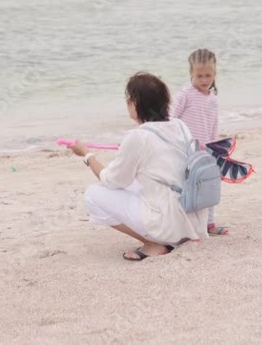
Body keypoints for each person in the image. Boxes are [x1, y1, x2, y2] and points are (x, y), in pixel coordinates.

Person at [67, 72, 209, 261]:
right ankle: (172, 236)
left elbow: (112, 180)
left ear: (135, 103)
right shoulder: (180, 125)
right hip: (193, 218)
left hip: (169, 221)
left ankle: (153, 244)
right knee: (138, 183)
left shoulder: (138, 136)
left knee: (93, 195)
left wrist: (87, 155)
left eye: (129, 98)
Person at [169, 48, 227, 236]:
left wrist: (216, 149)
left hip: (207, 151)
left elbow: (213, 125)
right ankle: (185, 224)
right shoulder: (185, 94)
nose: (204, 80)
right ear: (191, 74)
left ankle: (209, 223)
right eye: (199, 76)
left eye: (208, 75)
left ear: (215, 73)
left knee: (209, 184)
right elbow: (170, 118)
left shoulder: (213, 98)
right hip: (186, 150)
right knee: (187, 186)